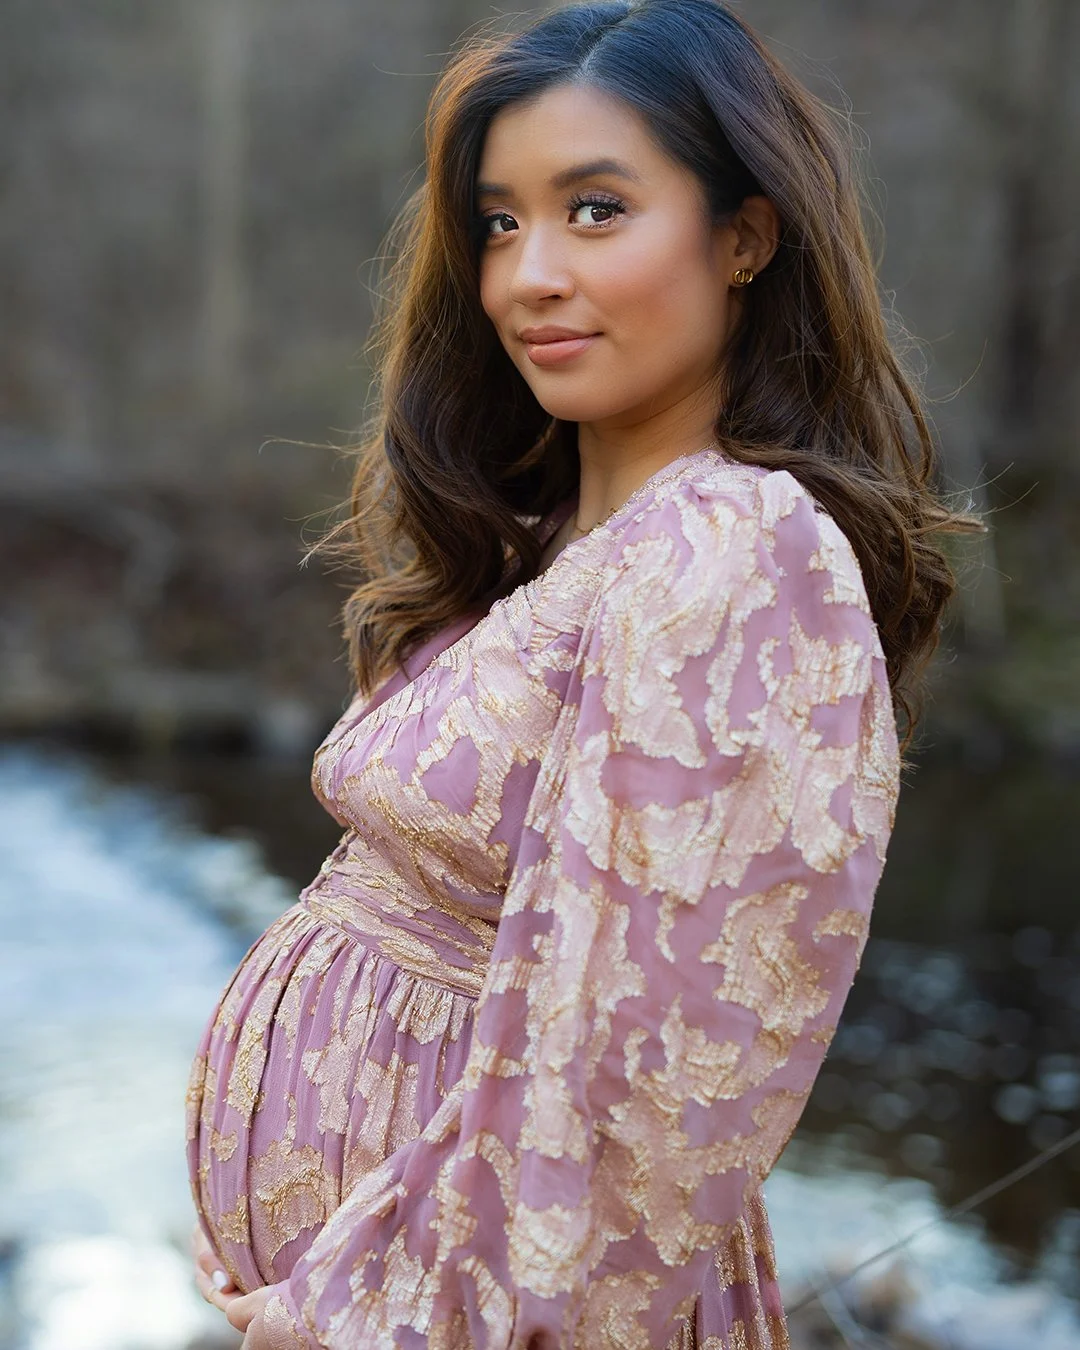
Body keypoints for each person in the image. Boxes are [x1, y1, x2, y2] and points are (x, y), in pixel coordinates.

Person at [186, 2, 979, 1346]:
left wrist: (387, 1320)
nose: (528, 275)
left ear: (745, 235)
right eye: (499, 223)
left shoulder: (740, 548)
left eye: (596, 210)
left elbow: (649, 1079)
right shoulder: (547, 542)